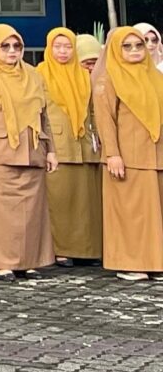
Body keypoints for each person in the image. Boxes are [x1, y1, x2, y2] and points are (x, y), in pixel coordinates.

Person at [0, 23, 56, 280]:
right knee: (0, 214)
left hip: (32, 152)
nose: (12, 51)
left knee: (31, 213)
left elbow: (43, 115)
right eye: (4, 46)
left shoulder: (32, 75)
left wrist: (50, 150)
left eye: (17, 46)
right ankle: (1, 261)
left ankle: (28, 260)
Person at [93, 25, 163, 281]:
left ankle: (154, 262)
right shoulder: (108, 79)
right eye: (127, 46)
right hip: (128, 158)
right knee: (131, 214)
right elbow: (105, 121)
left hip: (155, 156)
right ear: (115, 49)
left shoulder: (155, 77)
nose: (134, 50)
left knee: (154, 214)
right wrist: (112, 154)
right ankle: (131, 263)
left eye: (139, 45)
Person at [43, 27, 102, 265]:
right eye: (57, 47)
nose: (63, 52)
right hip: (58, 145)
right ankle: (62, 250)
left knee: (86, 203)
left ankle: (87, 250)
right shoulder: (40, 74)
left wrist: (99, 138)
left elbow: (93, 111)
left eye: (68, 47)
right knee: (60, 201)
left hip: (85, 145)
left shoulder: (84, 76)